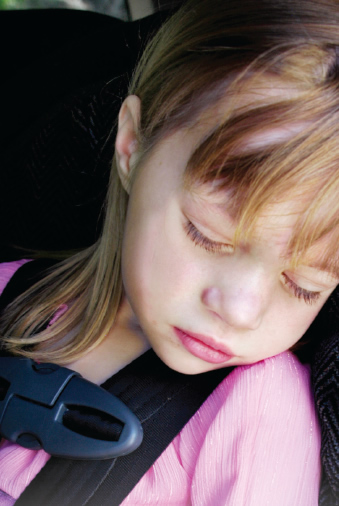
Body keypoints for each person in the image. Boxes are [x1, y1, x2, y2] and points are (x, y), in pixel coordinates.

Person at [0, 0, 338, 504]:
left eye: (303, 286)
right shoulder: (12, 291)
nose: (241, 311)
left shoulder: (259, 411)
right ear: (133, 146)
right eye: (208, 236)